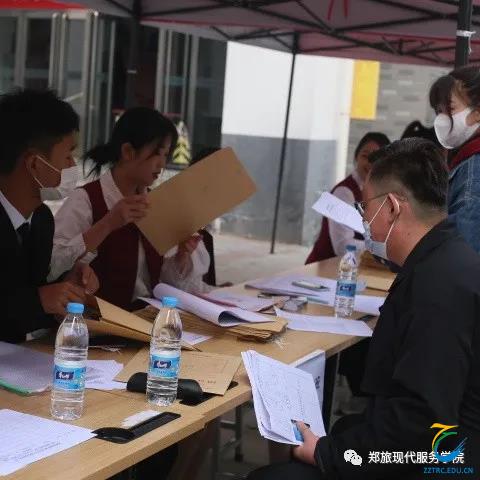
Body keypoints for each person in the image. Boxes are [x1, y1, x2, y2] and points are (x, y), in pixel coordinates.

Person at [248, 138, 480, 480]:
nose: (364, 219)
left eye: (365, 207)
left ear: (392, 207)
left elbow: (420, 422)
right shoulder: (442, 259)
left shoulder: (439, 285)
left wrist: (328, 454)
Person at [51, 107, 211, 311]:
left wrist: (182, 255)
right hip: (98, 322)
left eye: (166, 155)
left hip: (146, 318)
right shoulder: (86, 200)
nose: (162, 164)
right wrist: (108, 223)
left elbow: (164, 284)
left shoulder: (157, 204)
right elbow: (54, 263)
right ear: (127, 151)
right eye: (156, 153)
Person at [0, 88, 98, 344]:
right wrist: (41, 300)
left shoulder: (41, 219)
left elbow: (32, 294)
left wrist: (66, 287)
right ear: (34, 164)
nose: (73, 166)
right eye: (67, 156)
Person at [306, 132, 390, 264]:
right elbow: (342, 246)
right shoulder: (343, 193)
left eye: (376, 158)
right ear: (356, 157)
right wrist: (384, 249)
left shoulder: (382, 194)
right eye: (365, 156)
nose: (369, 163)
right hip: (326, 269)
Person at [430, 65, 480, 254]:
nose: (441, 119)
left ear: (477, 113)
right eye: (438, 111)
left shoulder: (473, 171)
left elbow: (463, 253)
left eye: (450, 108)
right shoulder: (467, 162)